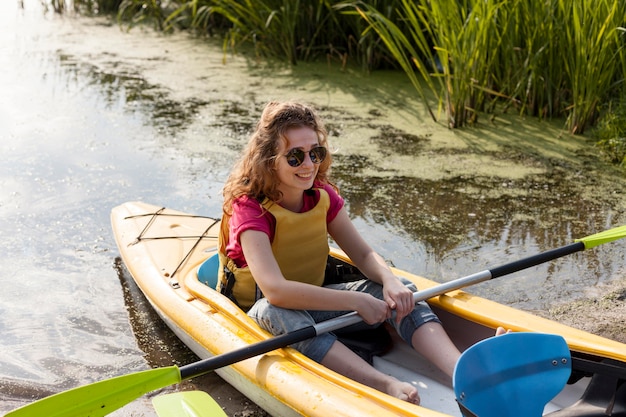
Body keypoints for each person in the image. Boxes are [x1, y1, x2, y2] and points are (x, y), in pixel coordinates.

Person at [217, 101, 465, 405]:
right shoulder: (250, 208)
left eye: (315, 153)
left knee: (401, 291)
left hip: (316, 300)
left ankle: (463, 372)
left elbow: (362, 255)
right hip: (257, 313)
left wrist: (389, 280)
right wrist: (355, 301)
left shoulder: (322, 195)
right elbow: (276, 291)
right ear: (270, 161)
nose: (308, 164)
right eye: (294, 156)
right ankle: (383, 384)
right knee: (274, 310)